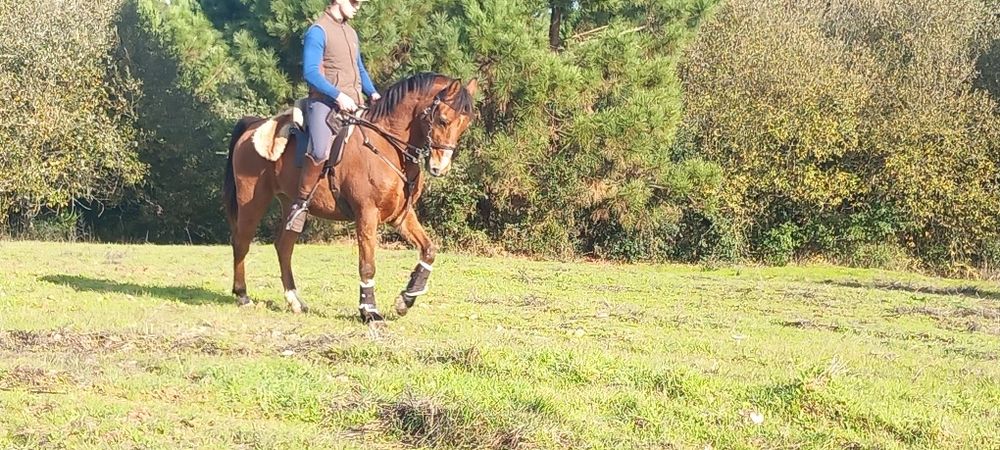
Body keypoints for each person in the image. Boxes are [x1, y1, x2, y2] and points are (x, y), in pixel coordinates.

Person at [286, 0, 380, 233]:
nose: (358, 7)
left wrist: (373, 93)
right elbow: (310, 73)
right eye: (354, 2)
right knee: (319, 150)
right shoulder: (318, 31)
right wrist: (337, 95)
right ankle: (300, 204)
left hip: (354, 104)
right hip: (323, 103)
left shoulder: (351, 32)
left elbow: (360, 69)